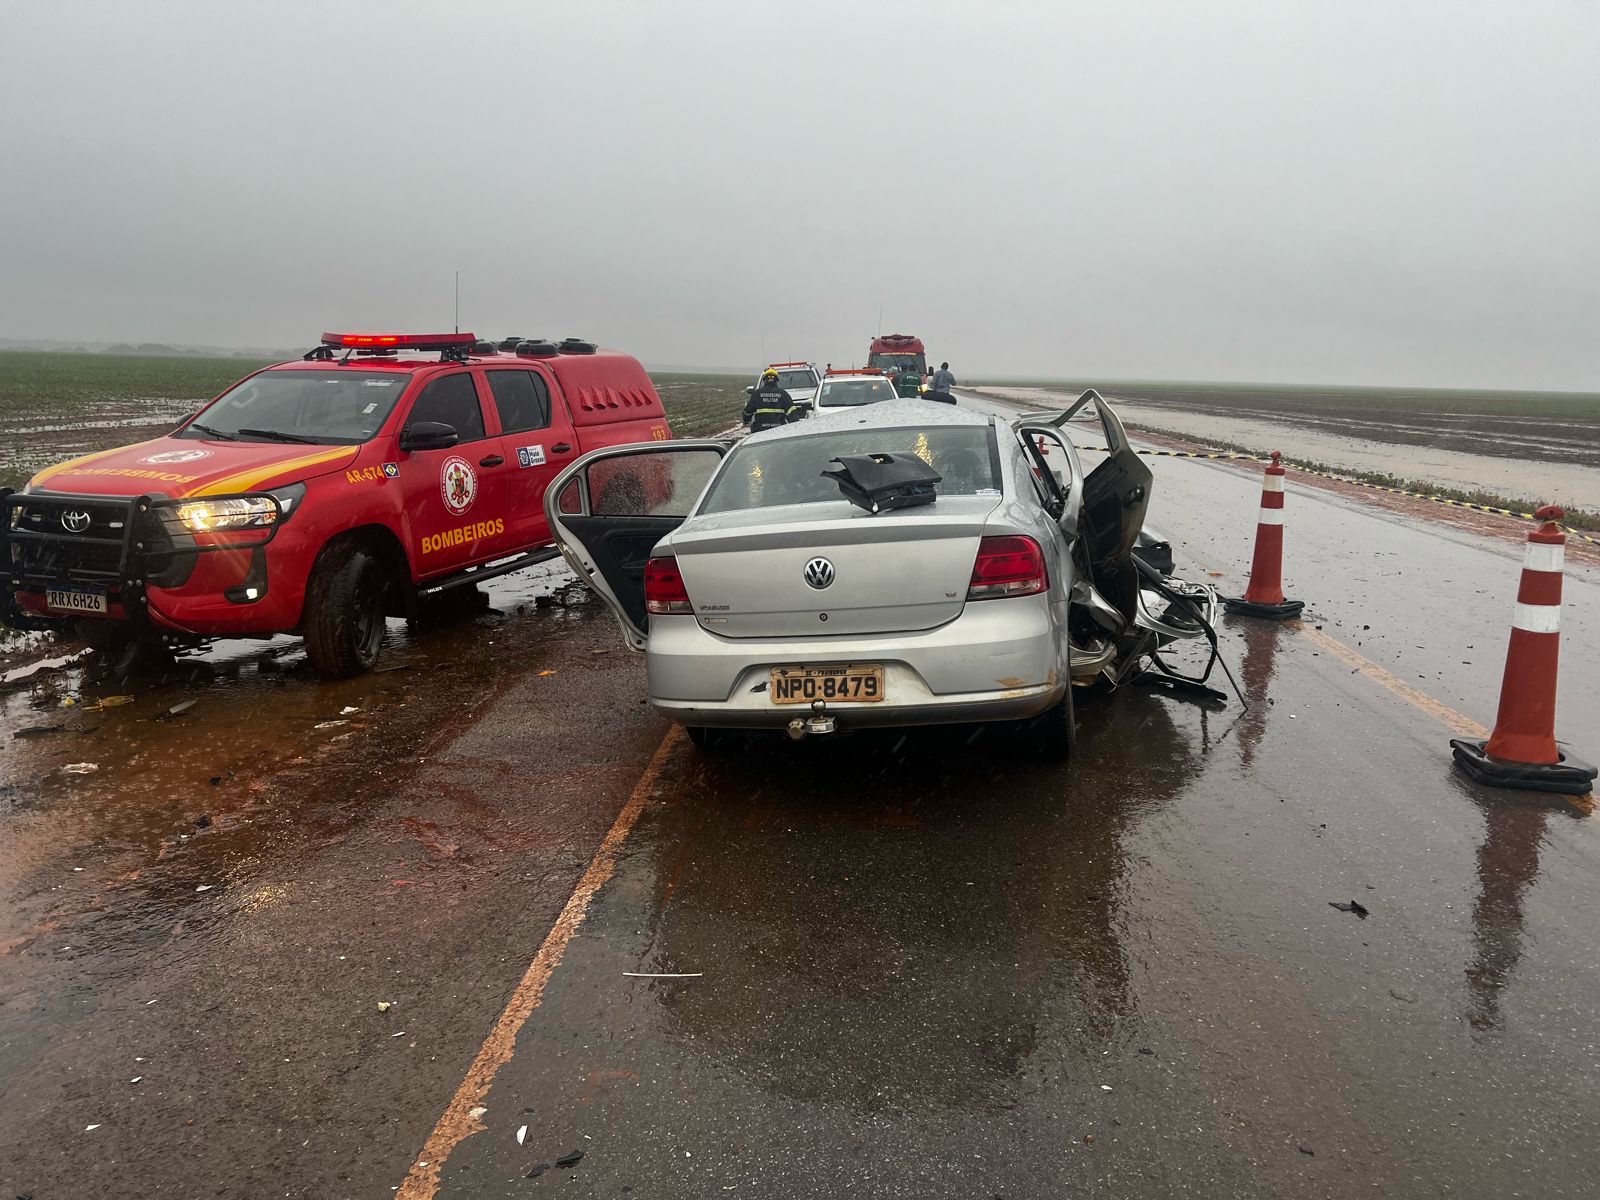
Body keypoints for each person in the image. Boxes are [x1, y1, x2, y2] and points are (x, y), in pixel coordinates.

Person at [743, 368, 800, 432]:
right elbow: (792, 413)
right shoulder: (783, 394)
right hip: (779, 430)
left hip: (759, 431)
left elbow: (747, 412)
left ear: (764, 380)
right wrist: (796, 427)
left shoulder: (757, 394)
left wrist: (746, 420)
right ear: (776, 380)